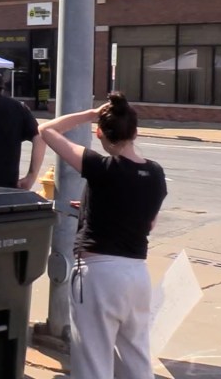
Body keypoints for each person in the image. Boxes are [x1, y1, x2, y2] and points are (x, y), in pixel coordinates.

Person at [38, 92, 167, 379]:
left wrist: (89, 114)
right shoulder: (156, 173)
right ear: (135, 132)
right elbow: (147, 223)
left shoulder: (101, 167)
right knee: (136, 358)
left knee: (93, 362)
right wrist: (91, 206)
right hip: (137, 274)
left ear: (99, 133)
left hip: (99, 275)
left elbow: (46, 130)